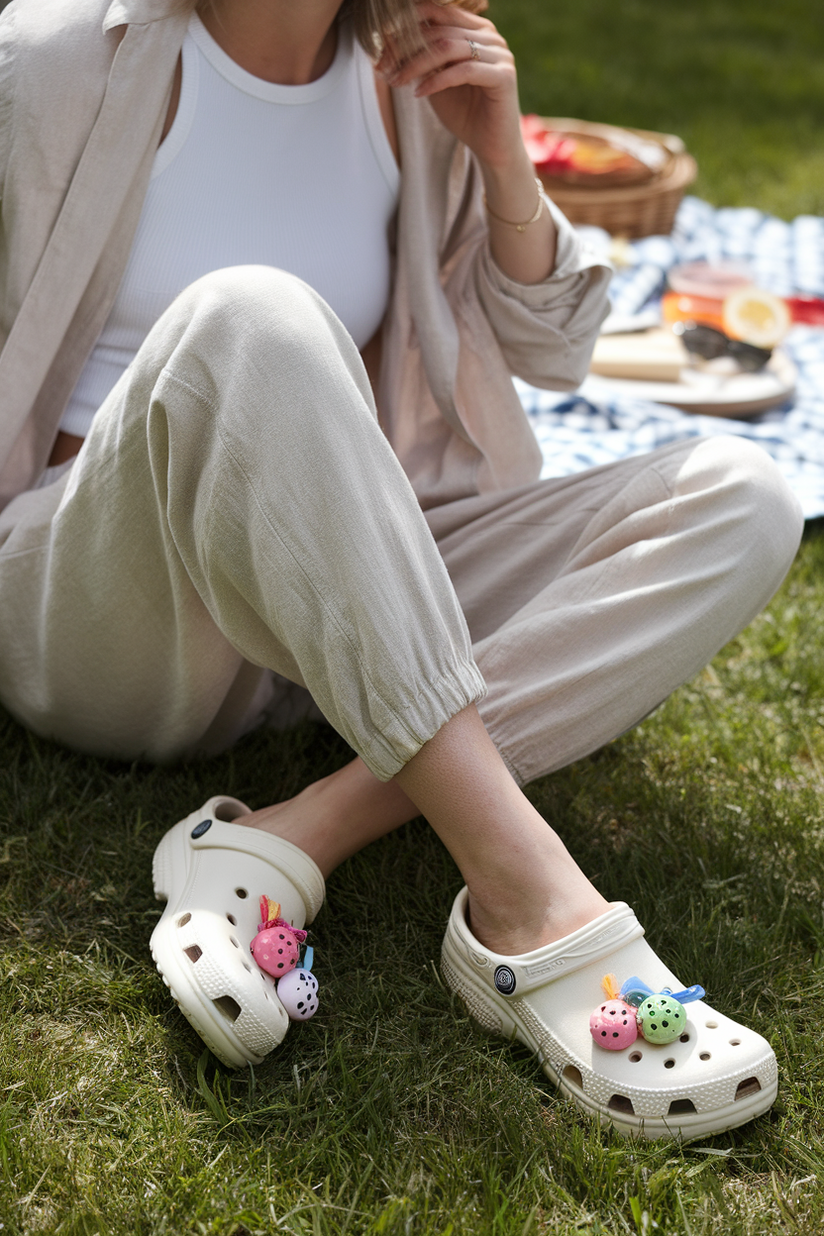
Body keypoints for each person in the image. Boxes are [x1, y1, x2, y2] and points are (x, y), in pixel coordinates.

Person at [0, 0, 803, 1139]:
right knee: (255, 310)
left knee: (742, 495)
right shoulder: (54, 56)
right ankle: (524, 897)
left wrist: (495, 142)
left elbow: (555, 347)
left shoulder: (405, 79)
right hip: (101, 595)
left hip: (321, 594)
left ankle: (299, 832)